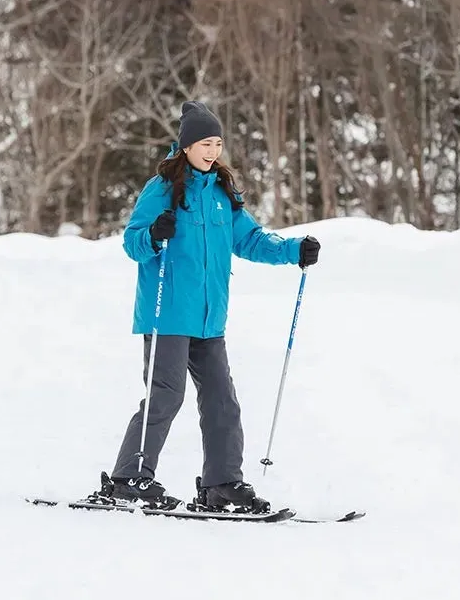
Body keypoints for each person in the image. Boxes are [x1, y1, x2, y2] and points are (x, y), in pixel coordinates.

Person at [94, 100, 320, 512]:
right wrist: (154, 235)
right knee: (166, 394)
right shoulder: (161, 189)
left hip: (209, 318)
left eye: (217, 143)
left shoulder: (221, 194)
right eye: (204, 143)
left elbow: (250, 239)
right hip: (168, 313)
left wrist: (293, 251)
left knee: (222, 399)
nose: (213, 151)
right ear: (184, 147)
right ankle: (129, 478)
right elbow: (133, 243)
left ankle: (222, 484)